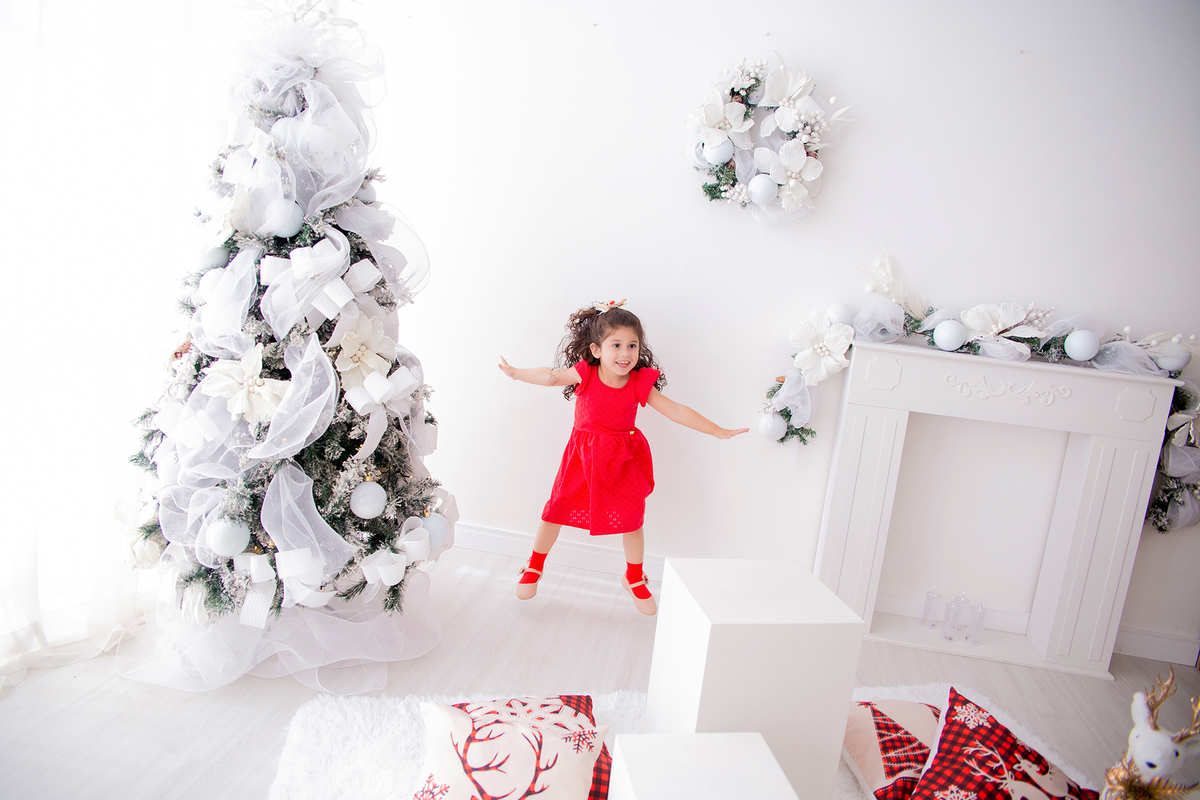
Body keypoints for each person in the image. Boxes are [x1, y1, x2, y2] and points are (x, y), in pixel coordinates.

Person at [498, 299, 748, 615]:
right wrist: (515, 373)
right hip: (582, 459)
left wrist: (716, 430)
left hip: (621, 461)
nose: (626, 353)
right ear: (596, 349)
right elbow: (550, 376)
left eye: (632, 345)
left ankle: (633, 576)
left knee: (632, 519)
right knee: (556, 510)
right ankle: (535, 564)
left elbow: (675, 410)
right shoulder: (585, 374)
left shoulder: (638, 383)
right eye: (616, 345)